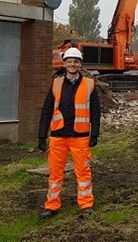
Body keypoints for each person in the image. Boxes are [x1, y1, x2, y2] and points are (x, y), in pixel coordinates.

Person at [38, 47, 101, 219]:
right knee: (55, 173)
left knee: (83, 173)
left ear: (80, 64)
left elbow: (95, 111)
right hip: (58, 136)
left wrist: (94, 134)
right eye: (69, 61)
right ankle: (52, 205)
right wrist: (42, 136)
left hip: (80, 137)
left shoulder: (90, 84)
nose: (72, 64)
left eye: (76, 61)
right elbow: (46, 111)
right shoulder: (56, 84)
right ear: (64, 63)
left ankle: (86, 205)